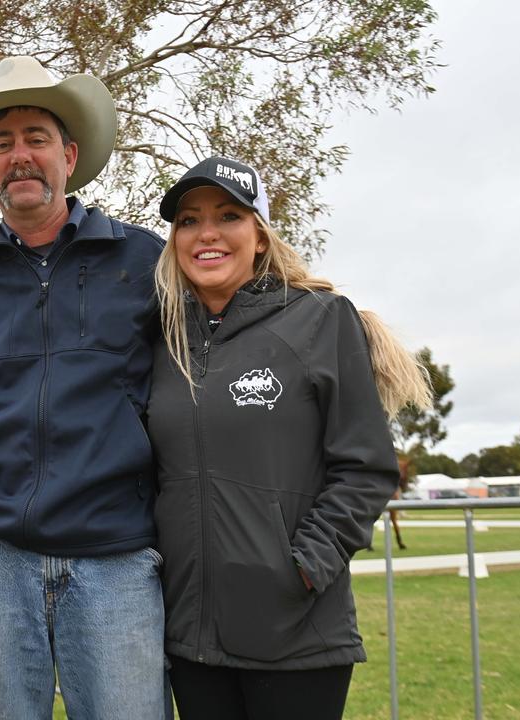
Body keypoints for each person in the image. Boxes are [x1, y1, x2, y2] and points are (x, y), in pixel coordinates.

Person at [0, 55, 168, 718]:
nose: (20, 156)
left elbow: (206, 383)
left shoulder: (147, 262)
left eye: (36, 139)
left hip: (116, 560)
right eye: (2, 145)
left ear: (69, 156)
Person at [148, 156, 432, 719]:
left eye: (229, 215)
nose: (206, 233)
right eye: (188, 220)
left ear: (259, 236)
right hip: (187, 632)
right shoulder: (161, 340)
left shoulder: (321, 320)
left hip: (295, 631)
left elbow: (366, 467)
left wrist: (300, 567)